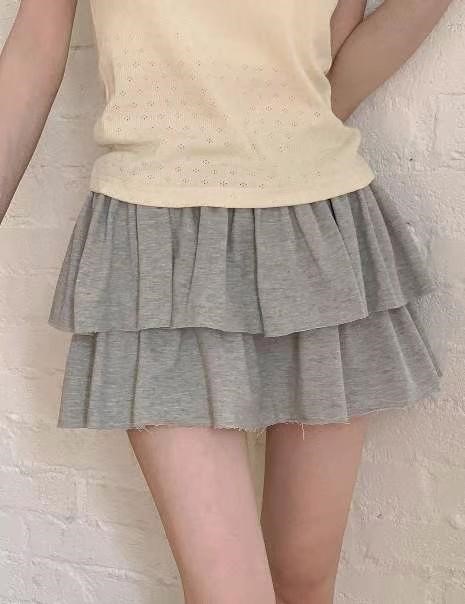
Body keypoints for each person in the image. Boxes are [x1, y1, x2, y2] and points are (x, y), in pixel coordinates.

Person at [0, 1, 454, 602]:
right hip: (155, 245)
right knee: (229, 593)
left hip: (317, 231)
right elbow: (35, 46)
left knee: (303, 578)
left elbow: (331, 68)